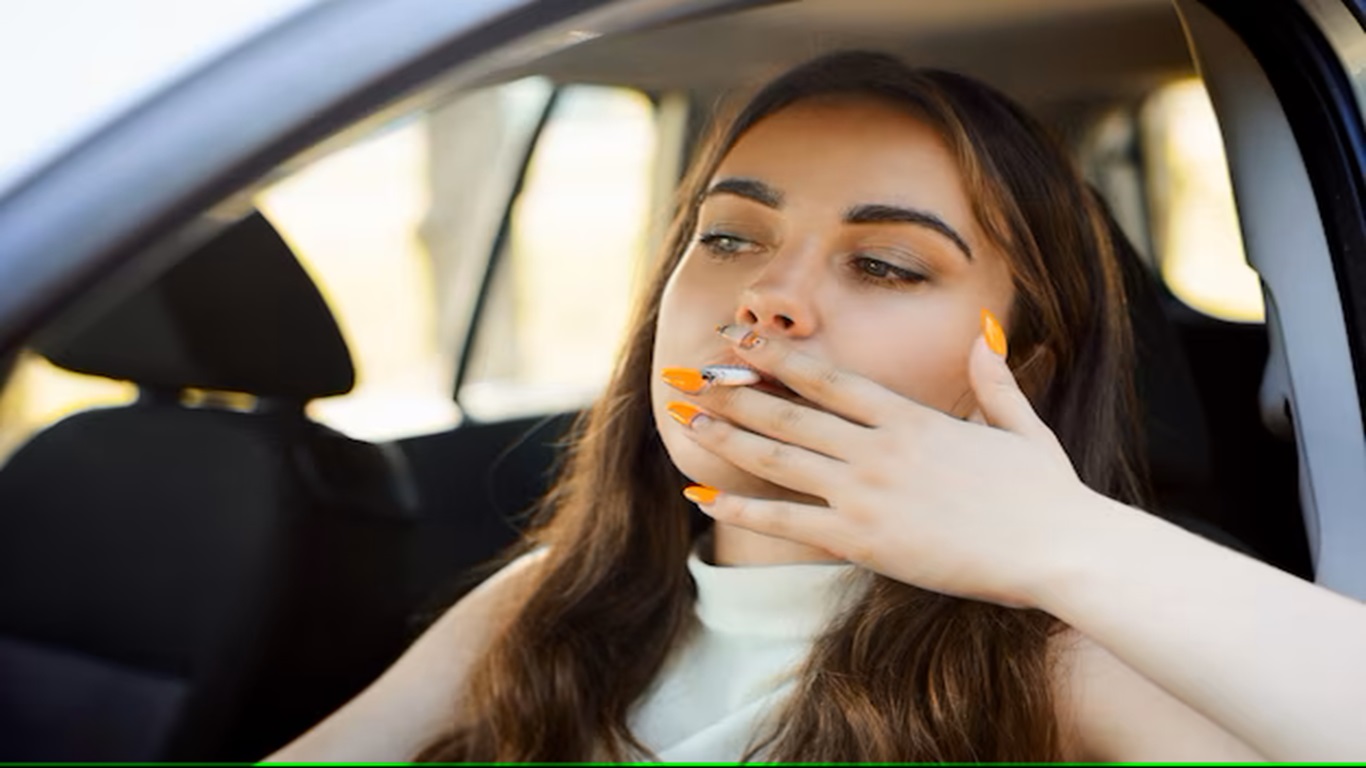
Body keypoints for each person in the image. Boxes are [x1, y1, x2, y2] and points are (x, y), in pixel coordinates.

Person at [267, 51, 1366, 762]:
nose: (769, 298)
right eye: (732, 238)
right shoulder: (546, 607)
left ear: (1021, 370)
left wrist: (1060, 538)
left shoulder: (1054, 668)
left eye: (884, 265)